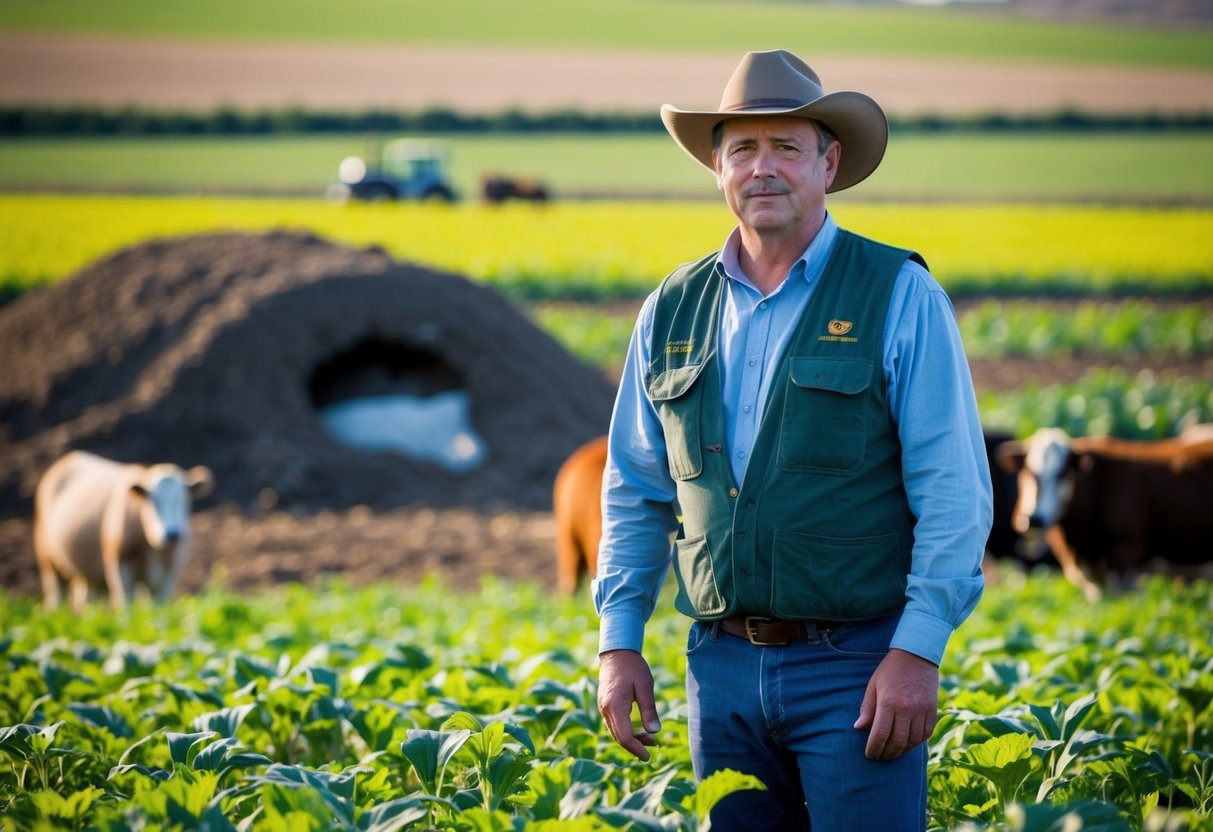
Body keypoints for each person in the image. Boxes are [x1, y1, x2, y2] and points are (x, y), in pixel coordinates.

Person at [592, 50, 991, 831]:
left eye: (786, 147)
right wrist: (618, 643)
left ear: (828, 162)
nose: (762, 168)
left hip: (857, 666)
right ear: (717, 166)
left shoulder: (897, 293)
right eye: (742, 148)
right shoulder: (670, 308)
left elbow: (952, 490)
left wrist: (917, 651)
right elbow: (634, 489)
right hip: (720, 666)